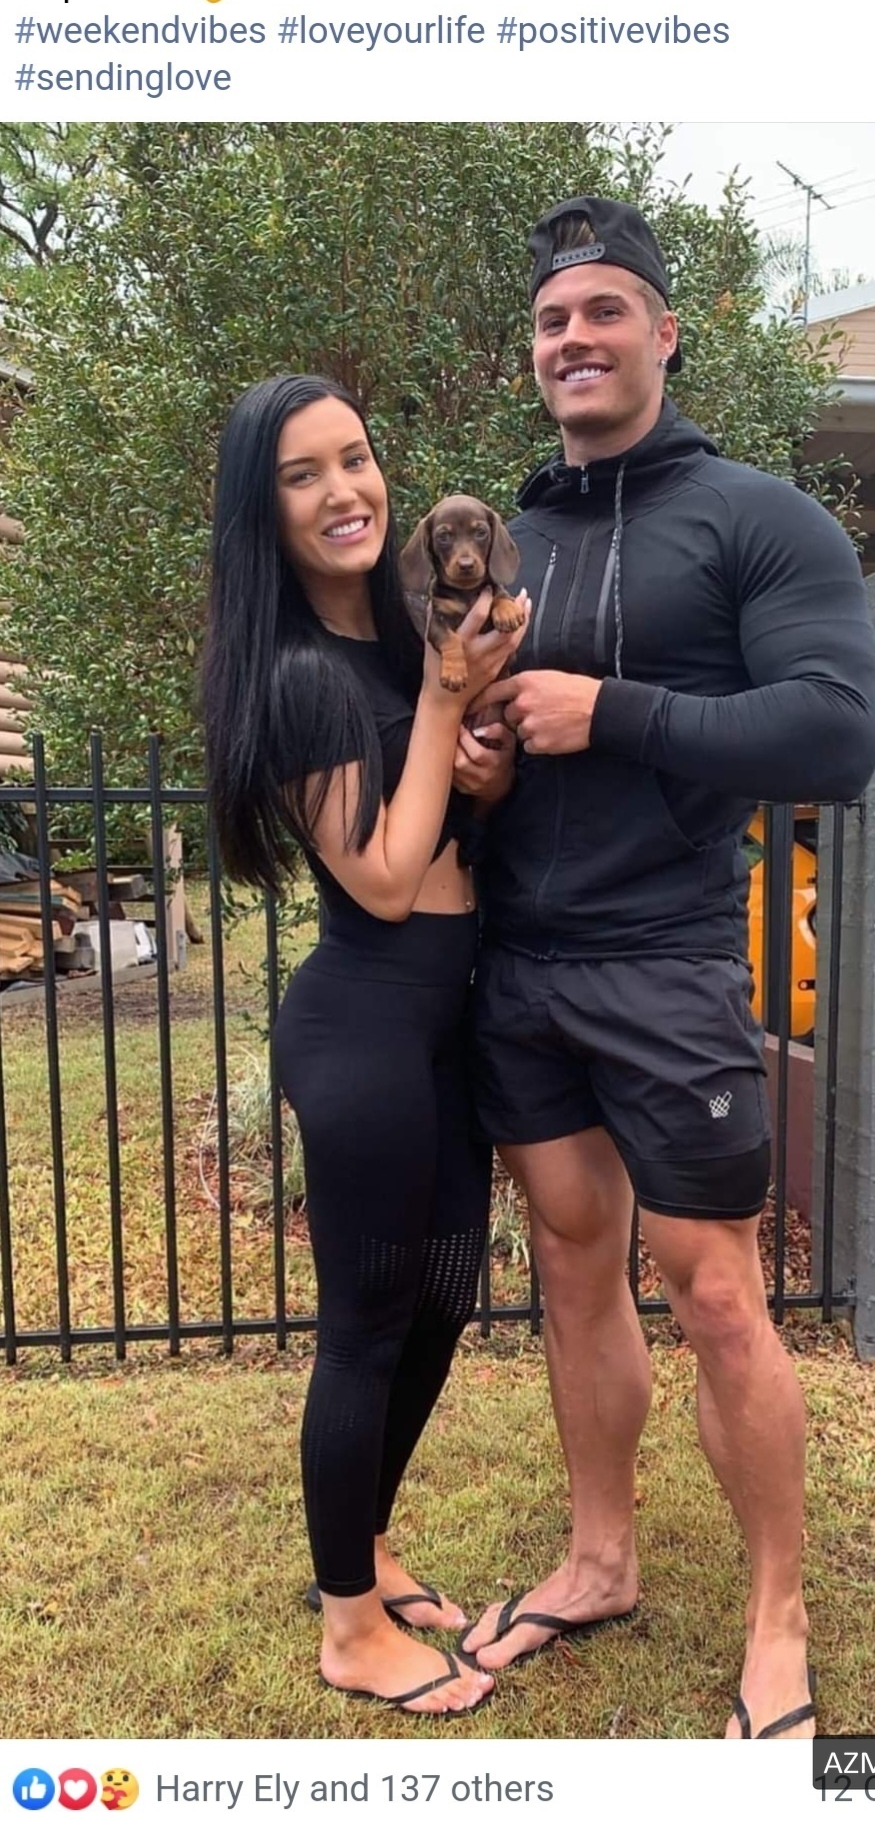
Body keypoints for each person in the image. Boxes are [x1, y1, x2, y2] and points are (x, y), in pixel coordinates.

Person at [458, 198, 875, 1739]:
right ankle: (598, 1557)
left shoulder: (757, 520)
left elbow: (834, 733)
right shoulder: (510, 540)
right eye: (550, 319)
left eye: (601, 310)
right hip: (521, 965)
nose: (572, 337)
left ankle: (776, 1615)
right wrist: (485, 757)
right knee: (574, 1268)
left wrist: (611, 709)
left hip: (664, 963)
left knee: (711, 1289)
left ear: (662, 330)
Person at [201, 374, 527, 1716]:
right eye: (302, 473)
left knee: (446, 1289)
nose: (343, 489)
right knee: (363, 1324)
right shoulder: (299, 678)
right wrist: (448, 704)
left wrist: (481, 765)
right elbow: (385, 879)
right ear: (264, 511)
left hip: (441, 1020)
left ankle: (370, 1543)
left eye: (355, 456)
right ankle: (347, 1625)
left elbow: (445, 821)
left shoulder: (400, 645)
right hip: (364, 1024)